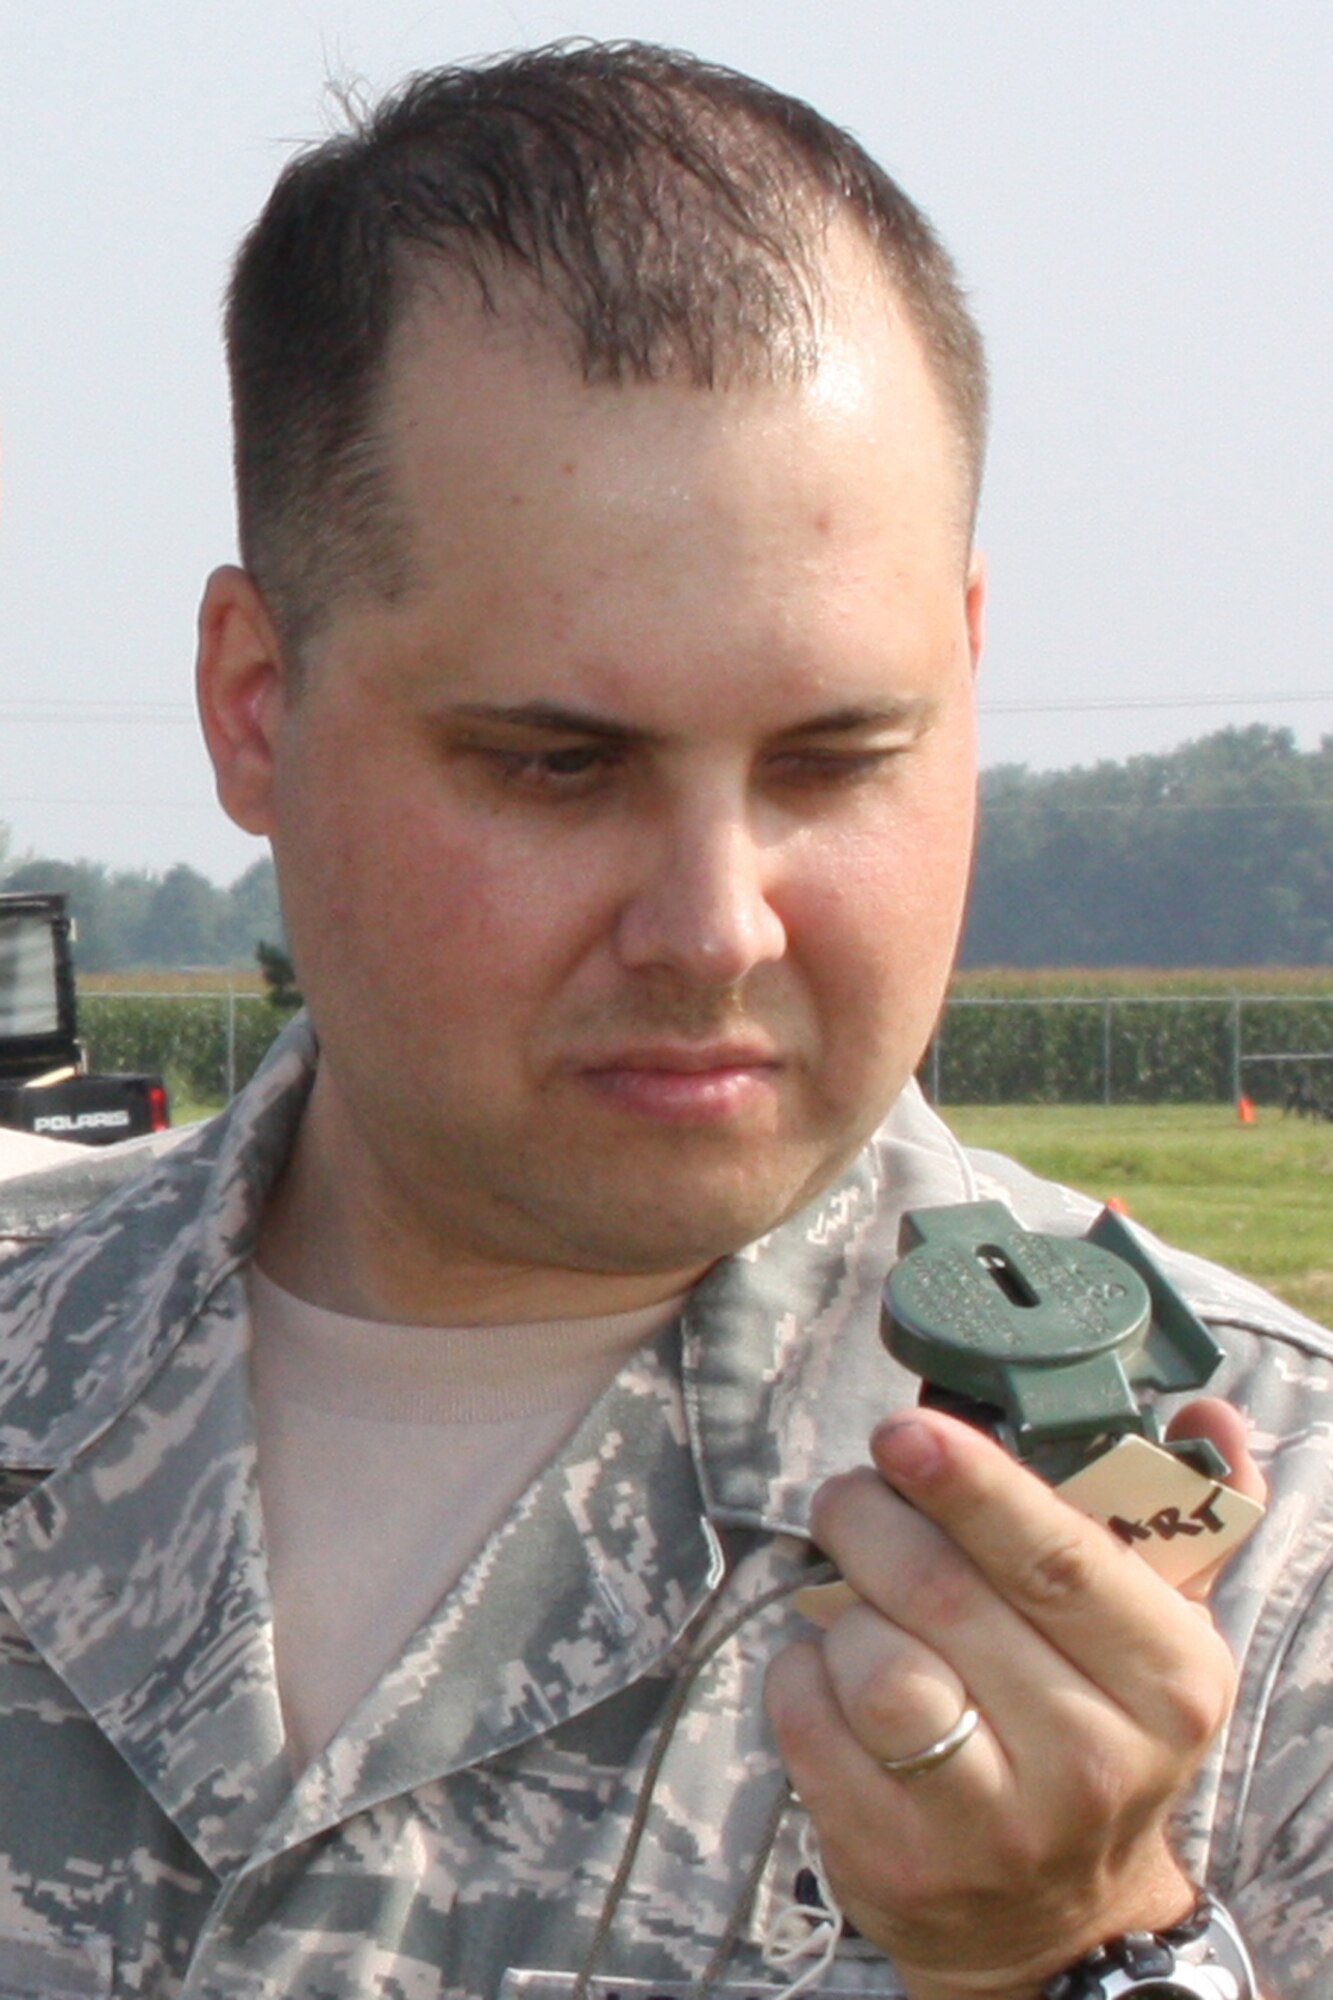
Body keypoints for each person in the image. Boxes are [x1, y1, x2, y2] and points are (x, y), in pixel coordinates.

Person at [0, 42, 1327, 2000]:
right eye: (553, 764)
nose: (716, 925)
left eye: (836, 757)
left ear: (965, 668)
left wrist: (1079, 1949)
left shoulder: (1264, 1538)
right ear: (255, 700)